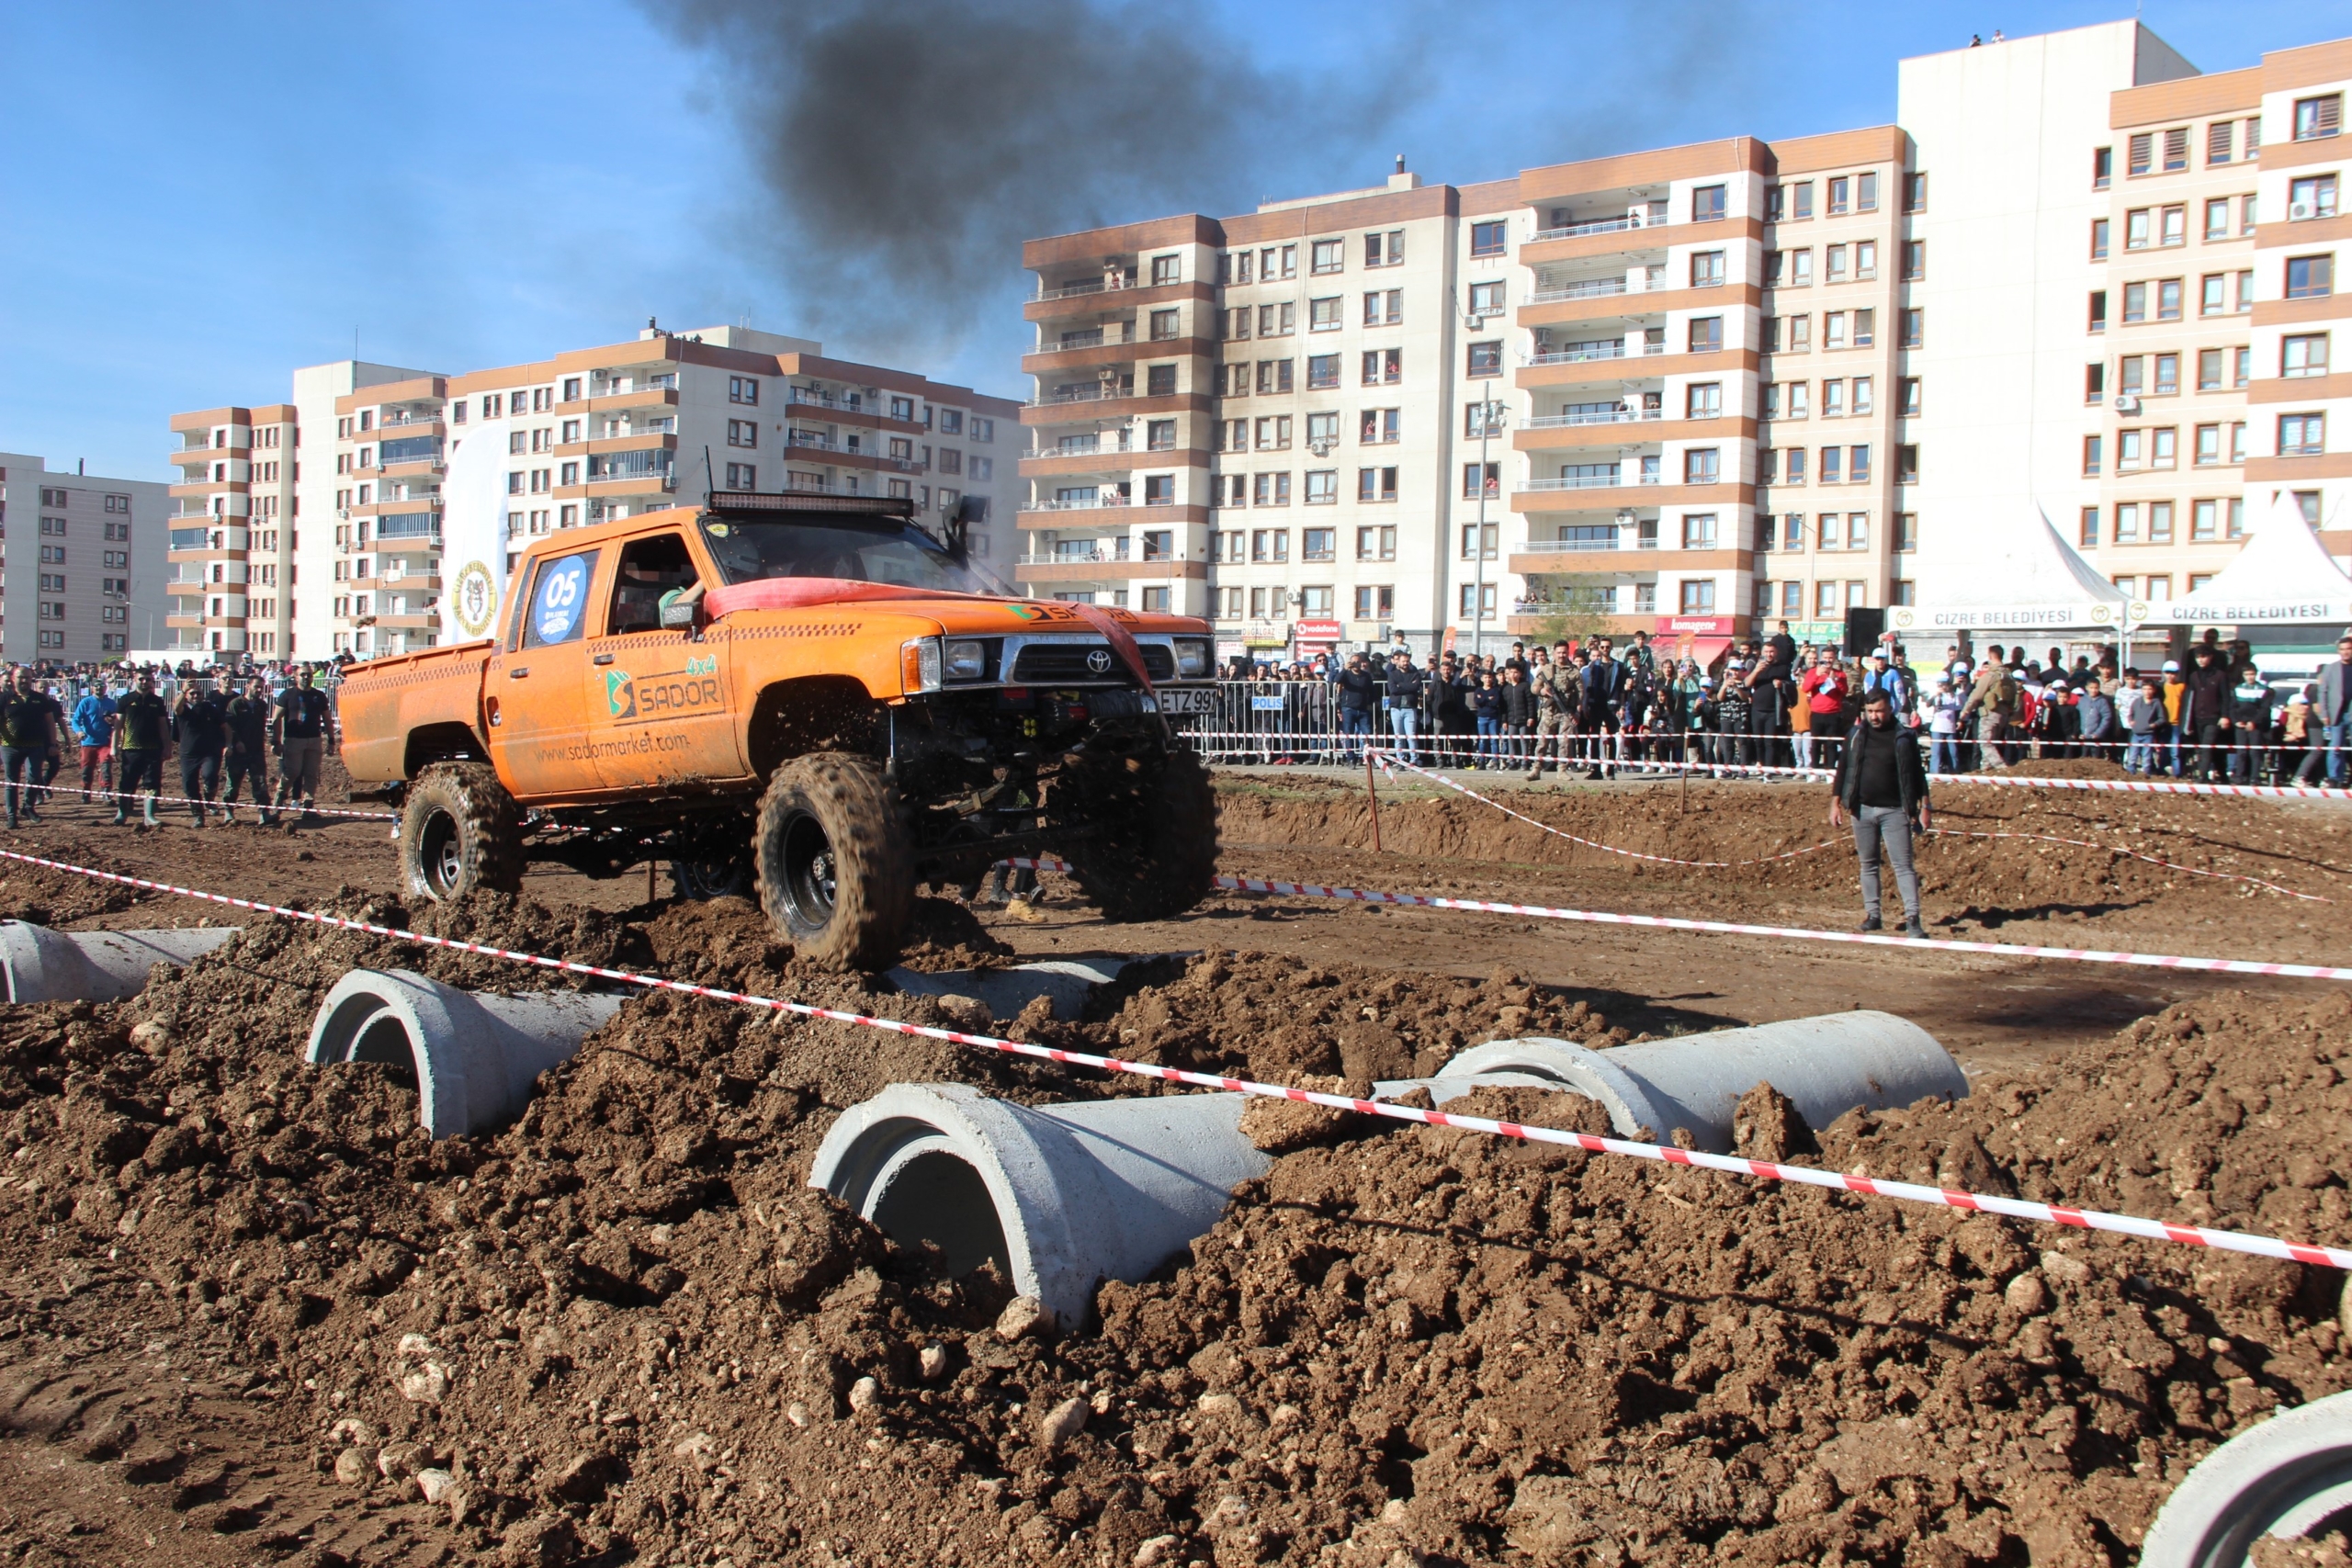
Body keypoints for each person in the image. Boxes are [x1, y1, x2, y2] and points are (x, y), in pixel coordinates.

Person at [1828, 687, 1931, 939]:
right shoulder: (1855, 735)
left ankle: (1913, 918)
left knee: (1903, 866)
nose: (1874, 716)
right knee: (1868, 865)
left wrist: (1925, 807)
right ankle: (1873, 915)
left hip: (1895, 811)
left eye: (1879, 711)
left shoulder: (1904, 737)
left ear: (1890, 709)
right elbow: (1843, 770)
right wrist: (1835, 802)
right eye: (1870, 711)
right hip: (1861, 810)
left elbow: (1918, 775)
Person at [0, 671, 62, 829]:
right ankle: (12, 815)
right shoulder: (5, 698)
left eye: (27, 678)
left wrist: (53, 743)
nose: (24, 681)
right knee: (11, 782)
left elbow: (50, 722)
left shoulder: (39, 699)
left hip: (35, 746)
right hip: (10, 747)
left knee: (34, 778)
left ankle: (28, 807)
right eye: (21, 677)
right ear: (14, 679)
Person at [271, 666, 333, 822]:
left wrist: (331, 739)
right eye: (303, 675)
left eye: (309, 675)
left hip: (314, 739)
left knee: (311, 774)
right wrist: (276, 741)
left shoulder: (319, 696)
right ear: (295, 677)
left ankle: (308, 806)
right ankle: (279, 798)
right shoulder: (288, 695)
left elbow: (327, 718)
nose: (306, 677)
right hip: (293, 739)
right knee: (292, 771)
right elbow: (276, 718)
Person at [110, 670, 170, 827]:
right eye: (141, 679)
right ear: (135, 680)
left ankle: (149, 816)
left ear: (152, 681)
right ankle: (122, 813)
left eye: (148, 679)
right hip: (131, 748)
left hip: (153, 749)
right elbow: (118, 725)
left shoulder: (157, 701)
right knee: (127, 782)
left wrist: (167, 747)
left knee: (151, 782)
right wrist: (114, 747)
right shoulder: (126, 700)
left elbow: (163, 726)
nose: (145, 682)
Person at [172, 678, 229, 826]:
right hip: (188, 753)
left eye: (199, 693)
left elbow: (224, 726)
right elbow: (176, 709)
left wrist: (228, 744)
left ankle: (209, 799)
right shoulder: (183, 708)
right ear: (186, 696)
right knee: (189, 784)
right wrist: (184, 690)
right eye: (193, 694)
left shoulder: (209, 708)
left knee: (209, 775)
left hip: (210, 751)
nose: (196, 696)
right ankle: (198, 815)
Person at [222, 677, 274, 823]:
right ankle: (229, 811)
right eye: (256, 687)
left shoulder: (261, 705)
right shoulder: (236, 704)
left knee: (260, 782)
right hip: (238, 751)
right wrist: (236, 742)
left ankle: (264, 812)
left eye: (261, 688)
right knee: (233, 782)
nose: (259, 690)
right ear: (248, 686)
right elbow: (230, 725)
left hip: (256, 749)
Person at [1527, 643, 1576, 780]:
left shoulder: (1574, 671)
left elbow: (1580, 693)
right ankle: (1536, 769)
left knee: (1564, 742)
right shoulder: (1546, 670)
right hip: (1549, 711)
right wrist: (1542, 691)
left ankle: (1562, 770)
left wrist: (1577, 711)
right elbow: (1534, 687)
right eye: (1559, 652)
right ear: (1554, 653)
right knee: (1542, 741)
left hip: (1566, 711)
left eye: (1564, 652)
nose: (1562, 655)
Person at [1799, 648, 1852, 768]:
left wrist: (1836, 680)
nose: (1827, 661)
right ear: (1821, 658)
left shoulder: (1840, 674)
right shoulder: (1812, 672)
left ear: (1834, 659)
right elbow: (1805, 688)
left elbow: (1844, 691)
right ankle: (1815, 770)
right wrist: (1817, 676)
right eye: (1825, 658)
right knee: (1815, 743)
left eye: (1830, 658)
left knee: (1831, 744)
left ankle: (1829, 769)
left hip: (1833, 713)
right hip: (1816, 713)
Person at [71, 680, 116, 809]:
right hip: (88, 741)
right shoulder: (86, 702)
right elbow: (75, 720)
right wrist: (79, 731)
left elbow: (118, 719)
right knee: (87, 768)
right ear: (92, 689)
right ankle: (86, 791)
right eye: (96, 687)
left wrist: (112, 720)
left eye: (101, 687)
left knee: (106, 766)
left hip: (105, 742)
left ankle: (106, 792)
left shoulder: (111, 703)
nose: (99, 689)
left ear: (105, 688)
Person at [2316, 634, 2352, 786]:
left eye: (2349, 649)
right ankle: (2335, 778)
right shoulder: (2331, 669)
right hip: (2336, 714)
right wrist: (2324, 714)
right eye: (2342, 649)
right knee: (2335, 747)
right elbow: (2322, 692)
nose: (2345, 652)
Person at [1333, 651, 1377, 765]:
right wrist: (1344, 669)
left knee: (1367, 734)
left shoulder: (1366, 675)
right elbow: (1336, 680)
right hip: (1348, 709)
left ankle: (1369, 758)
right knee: (1349, 735)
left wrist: (1369, 703)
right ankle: (1351, 759)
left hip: (1363, 709)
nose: (1356, 664)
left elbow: (1372, 691)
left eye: (1358, 662)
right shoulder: (1346, 674)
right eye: (1354, 662)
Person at [1381, 649, 1424, 766]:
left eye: (1408, 661)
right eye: (1404, 661)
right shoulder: (1392, 674)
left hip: (1410, 708)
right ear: (1398, 662)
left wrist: (1401, 685)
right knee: (1398, 736)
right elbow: (1393, 689)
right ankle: (1400, 759)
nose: (1406, 663)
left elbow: (1416, 687)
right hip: (1396, 709)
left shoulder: (1415, 674)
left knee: (1411, 736)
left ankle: (1413, 759)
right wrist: (1409, 686)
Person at [2122, 676, 2167, 775]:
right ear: (2141, 690)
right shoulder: (2137, 701)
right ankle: (2130, 775)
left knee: (2146, 758)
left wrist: (2154, 725)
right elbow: (2130, 713)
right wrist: (2131, 721)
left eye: (2149, 689)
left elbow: (2162, 718)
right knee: (2132, 757)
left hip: (2148, 735)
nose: (2147, 691)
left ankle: (2146, 776)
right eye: (2145, 689)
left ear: (2154, 690)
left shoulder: (2157, 703)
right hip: (2136, 734)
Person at [1925, 675, 1963, 775]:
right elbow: (1928, 704)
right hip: (1937, 727)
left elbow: (1958, 710)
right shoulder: (1936, 694)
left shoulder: (1954, 695)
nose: (1943, 686)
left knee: (1953, 752)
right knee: (1936, 752)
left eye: (1944, 684)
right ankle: (1934, 774)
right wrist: (1935, 695)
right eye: (1940, 684)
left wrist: (1959, 720)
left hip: (1950, 728)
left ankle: (1954, 772)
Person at [2075, 678, 2118, 763]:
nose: (2094, 690)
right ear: (2086, 687)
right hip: (2084, 736)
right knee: (2083, 759)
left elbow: (2107, 718)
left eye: (2096, 688)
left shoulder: (2103, 701)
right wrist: (2079, 732)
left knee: (2097, 760)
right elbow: (2077, 717)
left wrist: (2098, 733)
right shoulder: (2082, 700)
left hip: (2096, 737)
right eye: (2091, 688)